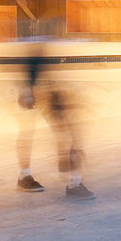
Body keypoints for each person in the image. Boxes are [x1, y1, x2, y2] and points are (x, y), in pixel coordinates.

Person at [15, 38, 94, 199]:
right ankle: (27, 176)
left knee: (65, 131)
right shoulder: (36, 43)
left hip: (49, 89)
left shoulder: (46, 41)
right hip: (39, 89)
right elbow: (34, 60)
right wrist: (27, 90)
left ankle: (73, 180)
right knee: (30, 131)